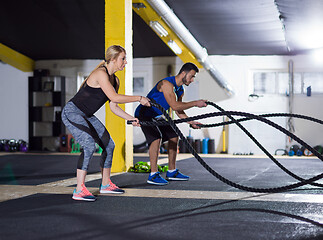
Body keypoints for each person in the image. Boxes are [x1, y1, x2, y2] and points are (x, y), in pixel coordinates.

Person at [62, 45, 150, 201]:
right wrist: (139, 98)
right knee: (89, 145)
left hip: (87, 115)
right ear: (113, 59)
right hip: (72, 112)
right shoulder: (100, 74)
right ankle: (79, 189)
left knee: (109, 145)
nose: (125, 62)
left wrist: (130, 118)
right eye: (123, 59)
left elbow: (113, 106)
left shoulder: (115, 80)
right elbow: (115, 98)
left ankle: (105, 184)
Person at [134, 62, 207, 185]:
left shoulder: (180, 90)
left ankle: (172, 171)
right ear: (183, 73)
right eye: (192, 76)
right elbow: (174, 105)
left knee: (174, 136)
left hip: (157, 115)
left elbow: (178, 109)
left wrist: (191, 122)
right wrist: (195, 103)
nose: (192, 80)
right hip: (144, 113)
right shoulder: (166, 84)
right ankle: (153, 174)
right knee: (156, 138)